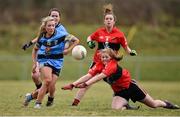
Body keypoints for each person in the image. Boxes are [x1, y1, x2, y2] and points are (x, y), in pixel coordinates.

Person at [68, 4, 137, 109]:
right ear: (104, 21)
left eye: (110, 19)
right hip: (97, 62)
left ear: (114, 21)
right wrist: (90, 42)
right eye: (107, 19)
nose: (108, 20)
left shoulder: (119, 34)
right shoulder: (99, 32)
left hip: (111, 64)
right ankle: (74, 104)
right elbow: (89, 37)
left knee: (116, 83)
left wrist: (131, 52)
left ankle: (124, 100)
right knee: (87, 82)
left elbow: (126, 48)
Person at [62, 48, 180, 110]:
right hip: (120, 92)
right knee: (116, 110)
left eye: (106, 56)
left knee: (153, 104)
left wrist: (85, 84)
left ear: (112, 57)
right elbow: (89, 75)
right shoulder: (99, 65)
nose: (104, 59)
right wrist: (73, 84)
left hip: (131, 87)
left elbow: (99, 77)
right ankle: (126, 105)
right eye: (102, 57)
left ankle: (167, 104)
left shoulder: (112, 65)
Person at [23, 8, 79, 107]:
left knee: (49, 86)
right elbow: (35, 49)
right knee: (46, 80)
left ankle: (30, 97)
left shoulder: (62, 33)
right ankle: (38, 104)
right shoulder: (42, 36)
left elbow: (75, 40)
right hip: (44, 59)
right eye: (49, 25)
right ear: (45, 26)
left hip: (58, 61)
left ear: (59, 19)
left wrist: (68, 50)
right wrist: (35, 63)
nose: (52, 27)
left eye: (53, 25)